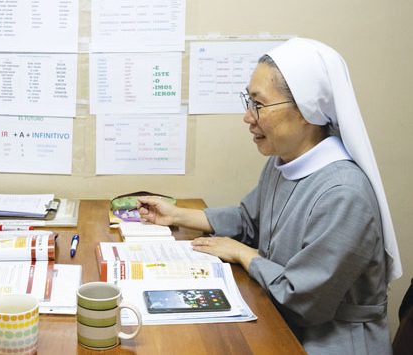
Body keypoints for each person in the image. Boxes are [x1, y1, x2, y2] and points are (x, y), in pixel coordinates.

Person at [138, 38, 401, 354]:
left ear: (305, 110)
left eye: (258, 105)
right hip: (280, 318)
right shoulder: (283, 162)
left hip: (330, 341)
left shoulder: (344, 194)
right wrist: (176, 215)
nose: (248, 117)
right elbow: (250, 219)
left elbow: (304, 298)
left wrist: (244, 254)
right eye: (248, 102)